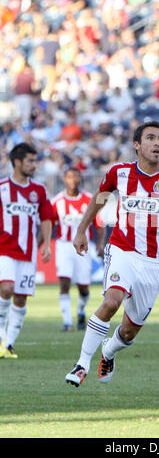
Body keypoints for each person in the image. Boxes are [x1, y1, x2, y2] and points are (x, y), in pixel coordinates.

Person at [65, 120, 159, 387]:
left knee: (129, 331)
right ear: (137, 145)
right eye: (151, 138)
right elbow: (99, 198)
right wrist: (81, 230)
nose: (158, 143)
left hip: (155, 262)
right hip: (122, 249)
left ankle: (108, 352)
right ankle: (81, 365)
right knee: (111, 301)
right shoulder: (119, 172)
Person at [0, 143, 53, 359]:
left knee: (21, 299)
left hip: (29, 253)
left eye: (35, 160)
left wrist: (47, 244)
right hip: (4, 249)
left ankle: (9, 344)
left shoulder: (39, 190)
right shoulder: (2, 188)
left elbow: (47, 218)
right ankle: (0, 338)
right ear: (17, 162)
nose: (34, 165)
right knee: (7, 288)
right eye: (30, 161)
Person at [51, 167, 106, 331]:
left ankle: (81, 311)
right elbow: (48, 223)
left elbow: (99, 225)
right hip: (63, 245)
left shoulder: (89, 199)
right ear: (64, 179)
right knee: (64, 283)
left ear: (80, 179)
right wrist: (45, 243)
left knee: (83, 288)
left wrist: (100, 243)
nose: (73, 179)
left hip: (83, 246)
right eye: (69, 176)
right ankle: (67, 323)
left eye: (76, 176)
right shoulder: (57, 201)